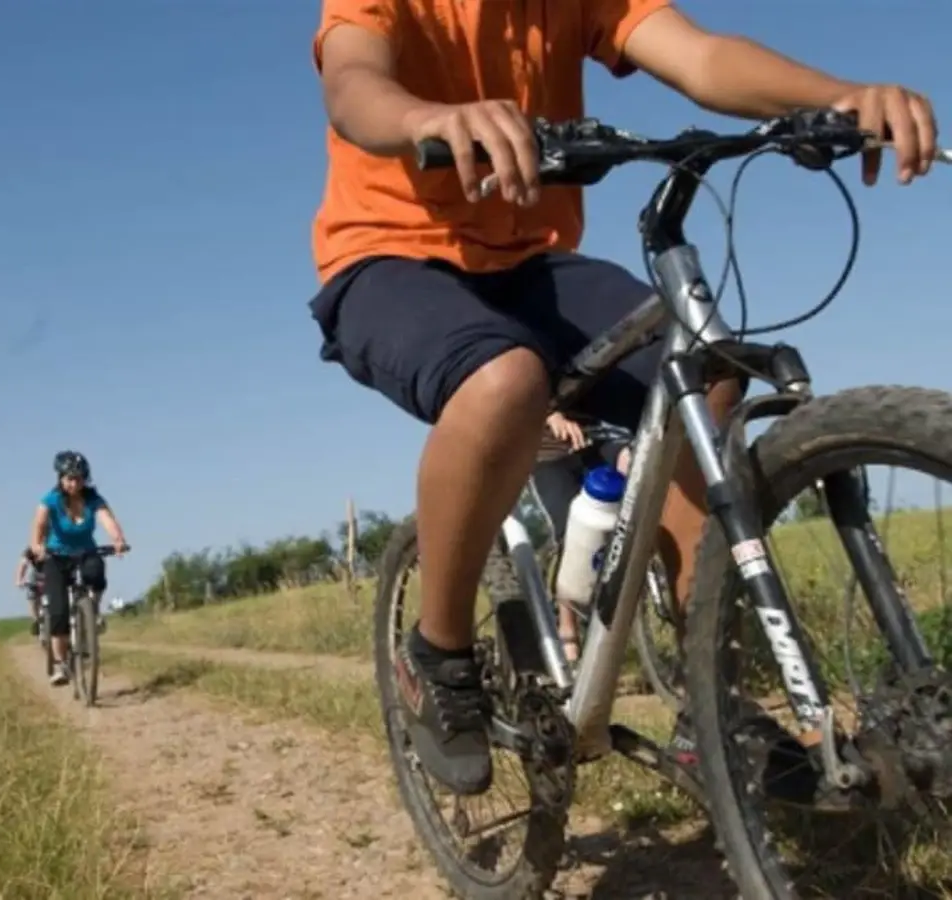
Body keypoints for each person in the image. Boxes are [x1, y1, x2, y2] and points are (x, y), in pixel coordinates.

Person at [307, 0, 938, 796]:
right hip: (386, 259)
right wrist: (432, 117)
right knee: (506, 379)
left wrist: (841, 96)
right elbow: (354, 85)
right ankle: (440, 654)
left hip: (530, 265)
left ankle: (711, 702)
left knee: (707, 365)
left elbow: (701, 59)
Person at [531, 412, 632, 664]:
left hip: (593, 441)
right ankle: (568, 630)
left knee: (633, 465)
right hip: (548, 455)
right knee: (570, 536)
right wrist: (551, 415)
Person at [28, 450, 130, 686]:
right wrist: (37, 546)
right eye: (70, 478)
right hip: (56, 556)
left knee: (96, 572)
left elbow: (107, 519)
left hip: (85, 552)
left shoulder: (94, 499)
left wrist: (118, 540)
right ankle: (62, 664)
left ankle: (91, 612)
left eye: (79, 478)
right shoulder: (49, 500)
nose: (75, 483)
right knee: (58, 612)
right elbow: (39, 525)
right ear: (61, 479)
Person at [13, 546, 46, 637]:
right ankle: (36, 620)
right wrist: (19, 580)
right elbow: (23, 565)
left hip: (51, 575)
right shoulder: (30, 550)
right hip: (36, 577)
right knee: (32, 597)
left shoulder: (53, 547)